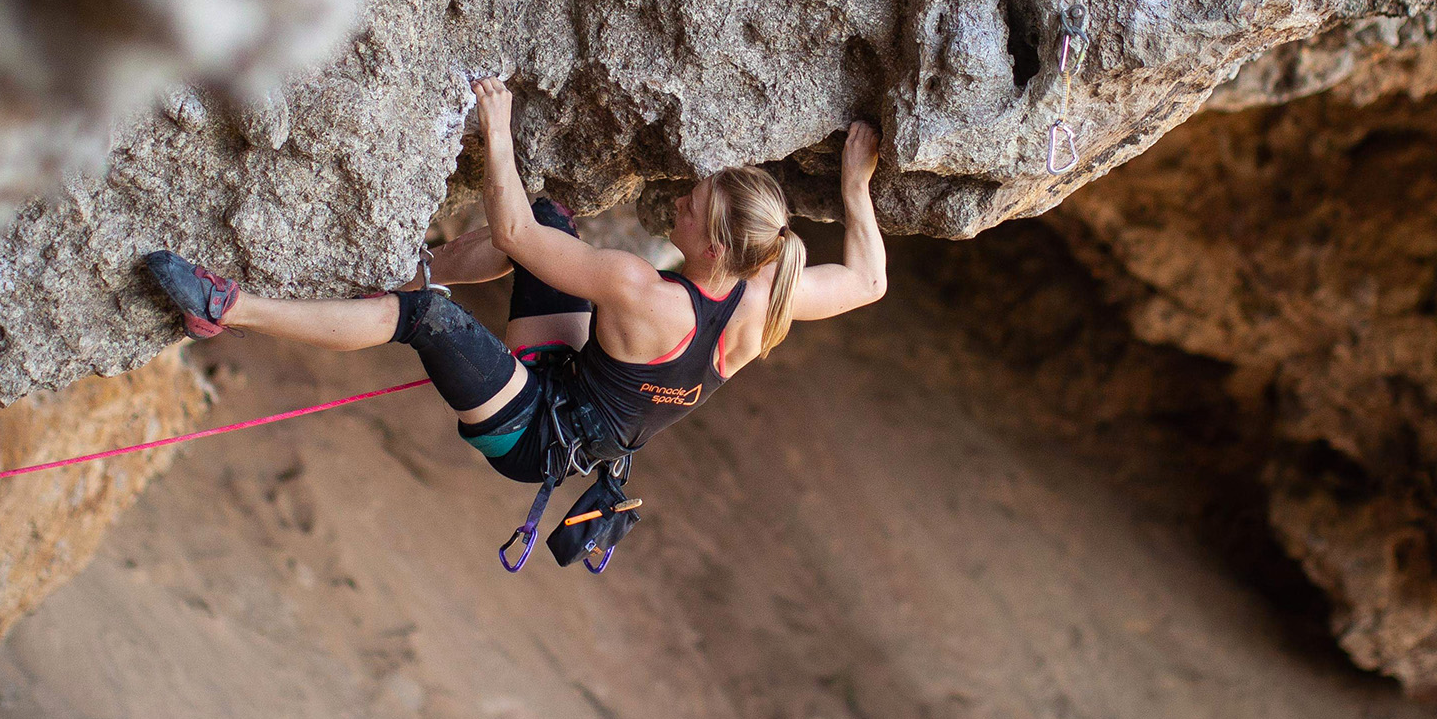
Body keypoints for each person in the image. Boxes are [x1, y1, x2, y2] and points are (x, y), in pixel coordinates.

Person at [145, 77, 887, 489]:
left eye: (695, 207)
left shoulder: (642, 289)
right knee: (550, 219)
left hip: (533, 436)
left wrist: (497, 131)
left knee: (425, 320)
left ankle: (229, 308)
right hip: (568, 384)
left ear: (716, 244)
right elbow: (868, 279)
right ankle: (415, 272)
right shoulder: (768, 299)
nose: (684, 200)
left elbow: (512, 240)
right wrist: (857, 187)